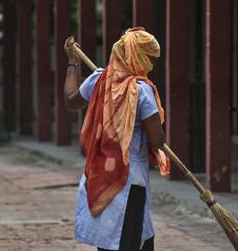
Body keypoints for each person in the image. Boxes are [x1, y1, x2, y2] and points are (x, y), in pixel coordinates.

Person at [63, 27, 170, 251]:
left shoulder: (100, 80)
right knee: (129, 242)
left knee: (111, 242)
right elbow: (157, 141)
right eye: (150, 57)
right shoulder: (142, 91)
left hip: (100, 176)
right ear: (138, 56)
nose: (151, 63)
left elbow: (71, 101)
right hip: (129, 182)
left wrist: (73, 63)